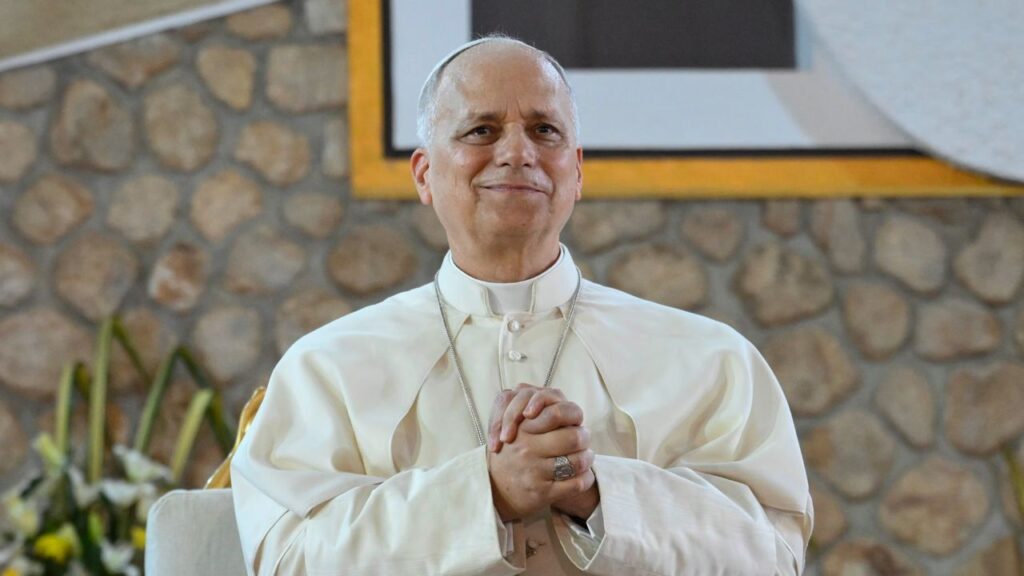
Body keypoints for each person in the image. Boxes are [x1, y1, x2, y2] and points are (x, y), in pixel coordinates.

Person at [231, 35, 813, 575]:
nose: (517, 152)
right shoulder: (327, 366)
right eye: (481, 131)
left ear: (576, 171)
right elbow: (287, 559)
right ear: (425, 173)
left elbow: (776, 552)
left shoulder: (710, 357)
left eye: (544, 131)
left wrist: (598, 491)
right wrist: (486, 492)